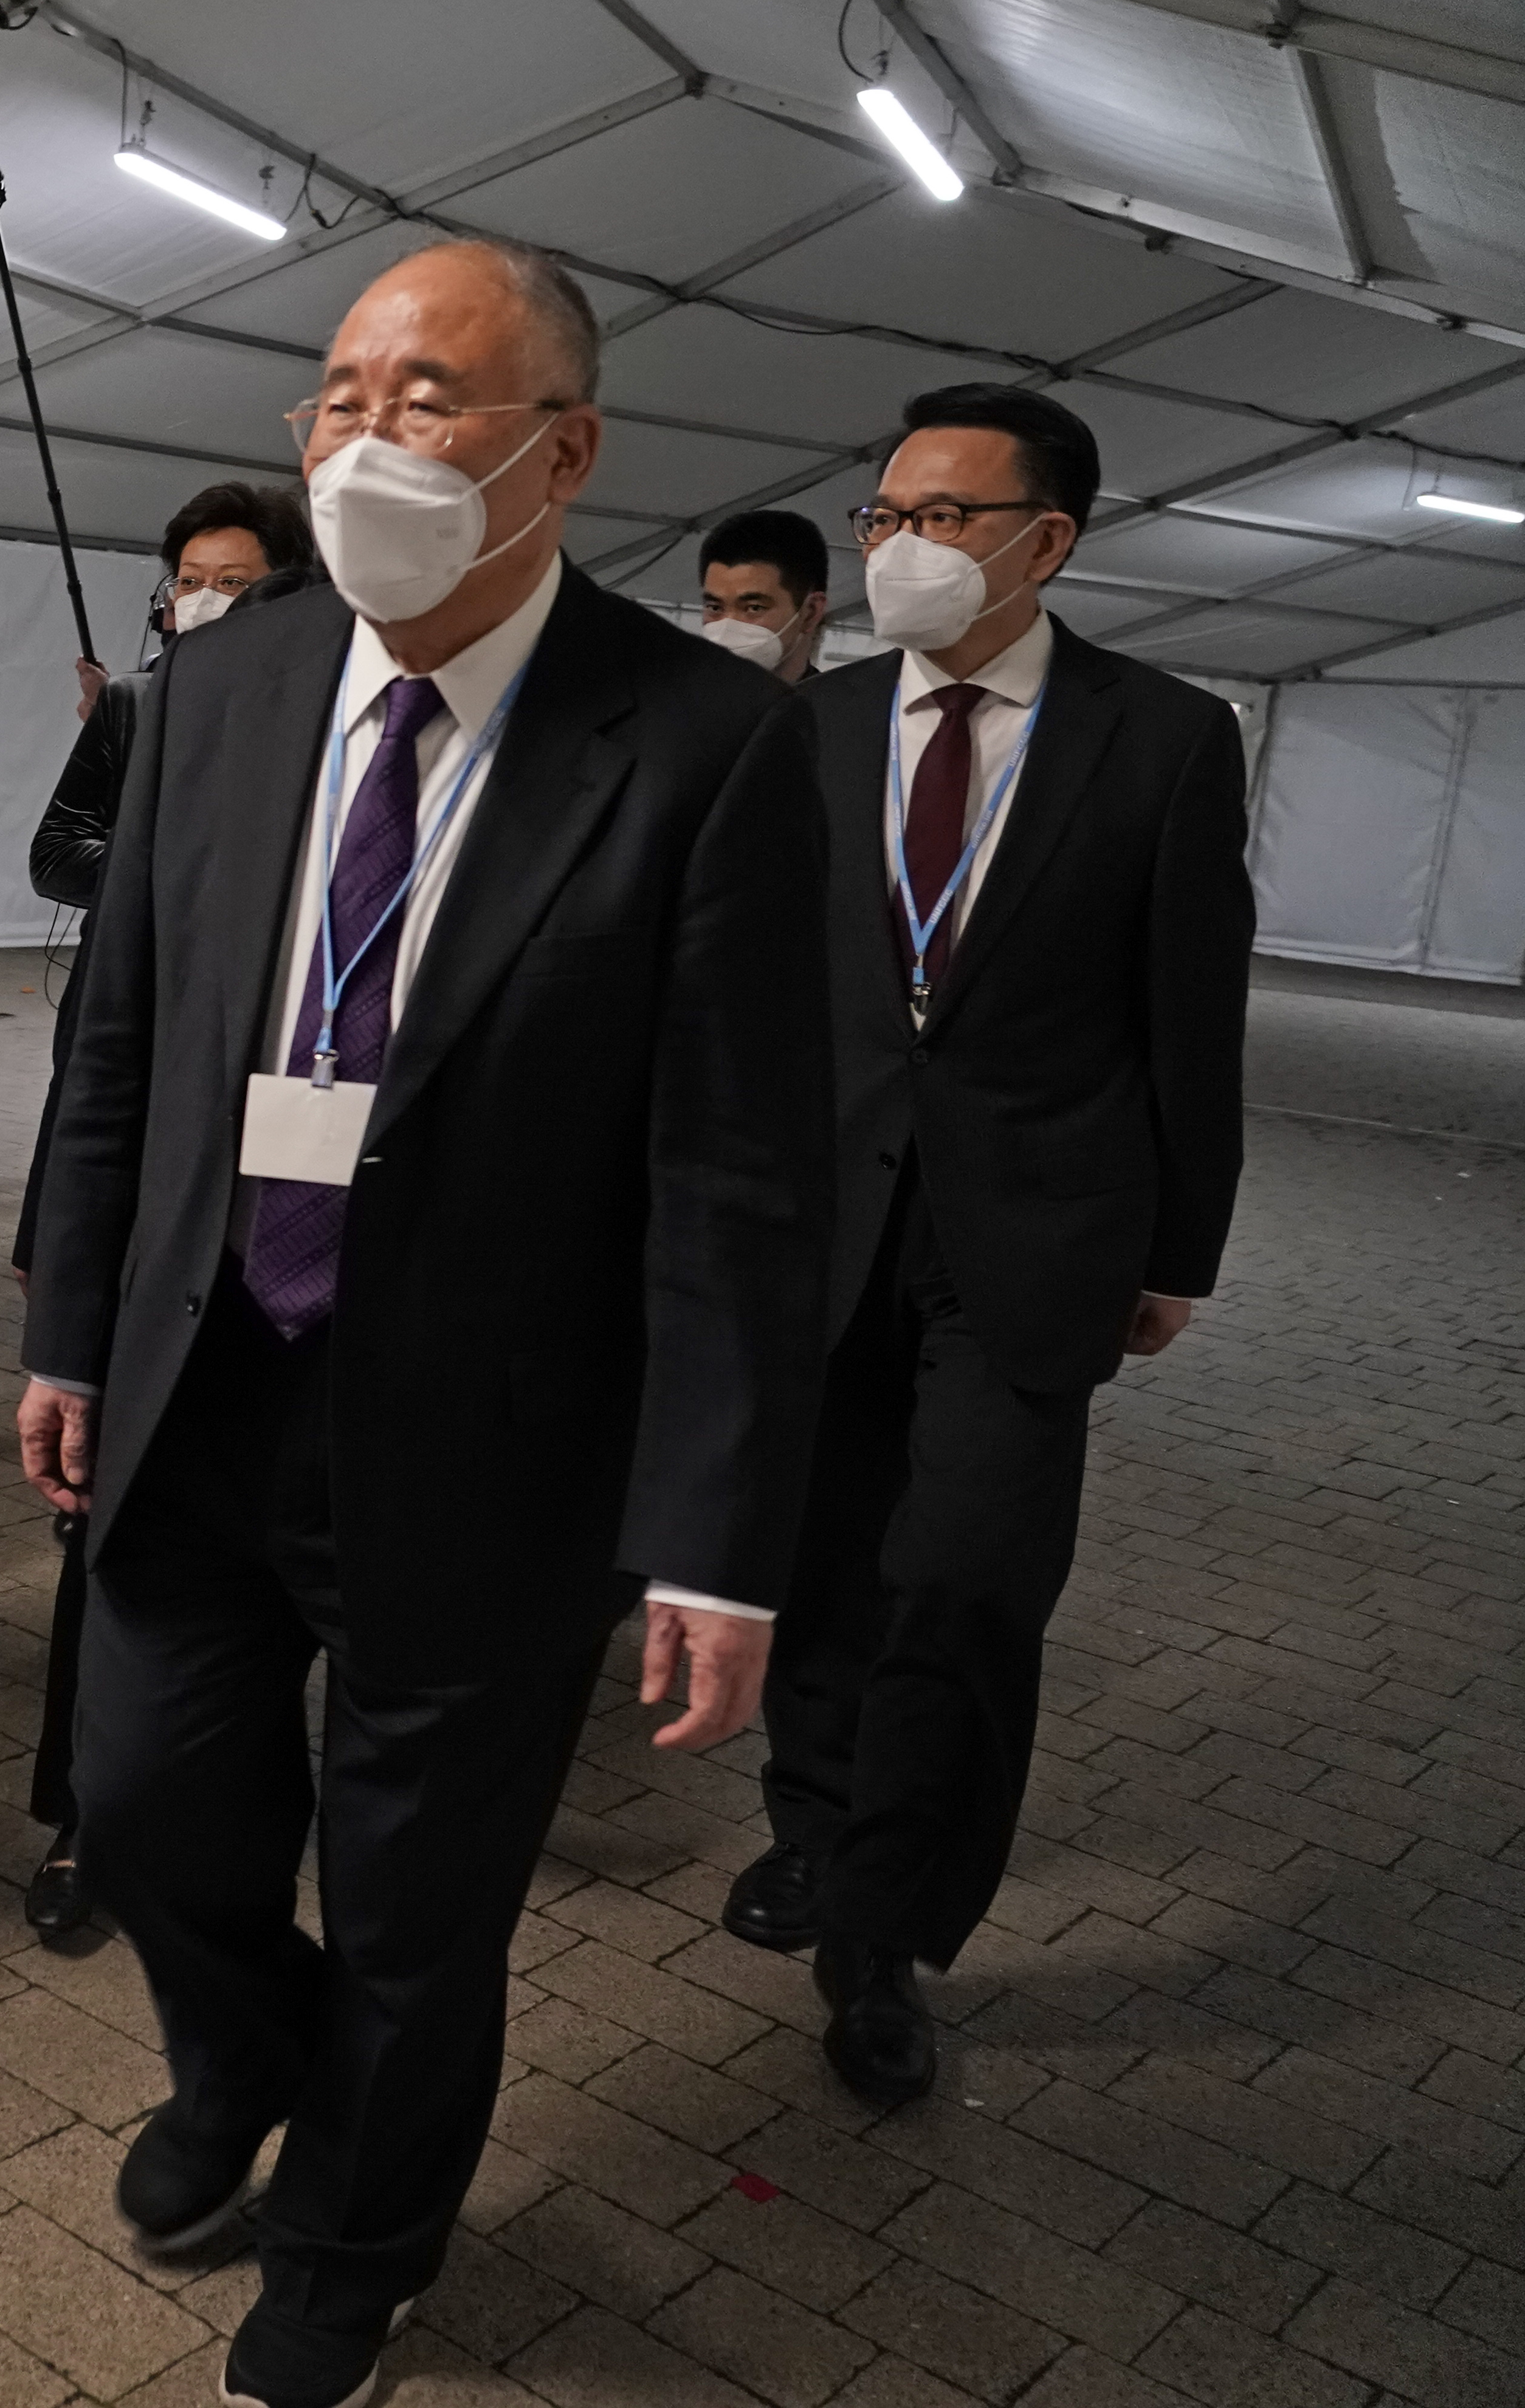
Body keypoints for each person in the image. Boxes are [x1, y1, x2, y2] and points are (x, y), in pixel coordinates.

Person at [16, 238, 833, 2408]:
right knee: (143, 1799)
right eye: (338, 392)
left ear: (563, 452)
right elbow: (124, 1048)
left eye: (431, 395)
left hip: (484, 1445)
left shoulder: (698, 746)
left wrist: (721, 1531)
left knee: (416, 1906)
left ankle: (348, 2247)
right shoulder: (226, 687)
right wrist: (70, 1331)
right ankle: (254, 2058)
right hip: (205, 1384)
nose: (368, 433)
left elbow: (741, 1175)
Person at [725, 386, 1250, 2107]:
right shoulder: (810, 728)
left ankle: (884, 1933)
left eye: (943, 516)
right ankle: (809, 1826)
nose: (899, 548)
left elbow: (1189, 1009)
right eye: (883, 515)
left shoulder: (1159, 737)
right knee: (817, 1560)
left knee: (960, 1577)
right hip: (823, 1216)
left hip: (1029, 1234)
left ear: (1046, 539)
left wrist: (1178, 1242)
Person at [9, 487, 315, 1941]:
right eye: (183, 581)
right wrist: (146, 838)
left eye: (235, 584)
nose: (202, 606)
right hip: (131, 1154)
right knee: (108, 1508)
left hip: (293, 1190)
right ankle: (86, 1813)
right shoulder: (137, 709)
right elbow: (52, 859)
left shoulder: (339, 732)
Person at [699, 507, 832, 683]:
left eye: (754, 608)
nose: (727, 627)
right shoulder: (676, 707)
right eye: (715, 608)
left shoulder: (842, 709)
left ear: (810, 613)